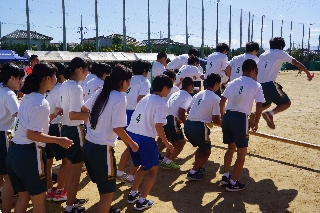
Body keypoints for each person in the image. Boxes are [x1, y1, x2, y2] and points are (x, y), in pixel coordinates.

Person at [6, 63, 73, 213]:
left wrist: (53, 115)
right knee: (38, 201)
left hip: (15, 151)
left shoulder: (28, 97)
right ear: (47, 78)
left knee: (24, 197)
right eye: (55, 76)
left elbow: (30, 124)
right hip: (29, 153)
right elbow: (32, 134)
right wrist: (58, 140)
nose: (57, 79)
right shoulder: (41, 103)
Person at [82, 65, 139, 213]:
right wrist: (132, 144)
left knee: (104, 188)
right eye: (129, 81)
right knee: (108, 194)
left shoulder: (101, 92)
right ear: (124, 82)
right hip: (102, 149)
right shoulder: (120, 97)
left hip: (89, 145)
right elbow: (118, 128)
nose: (130, 84)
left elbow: (84, 109)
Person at [126, 75, 174, 211]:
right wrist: (167, 143)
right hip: (145, 138)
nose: (169, 92)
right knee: (153, 170)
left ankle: (133, 194)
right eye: (169, 89)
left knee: (143, 166)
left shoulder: (145, 97)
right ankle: (142, 201)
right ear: (165, 88)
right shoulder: (160, 102)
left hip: (133, 134)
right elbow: (159, 125)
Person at [220, 59, 265, 191]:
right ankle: (233, 183)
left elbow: (222, 101)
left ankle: (226, 175)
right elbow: (259, 105)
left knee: (230, 149)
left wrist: (223, 117)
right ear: (253, 70)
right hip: (240, 118)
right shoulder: (256, 85)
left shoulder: (233, 82)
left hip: (228, 115)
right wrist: (256, 121)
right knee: (241, 153)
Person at [257, 37, 313, 129]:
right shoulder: (280, 53)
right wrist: (307, 73)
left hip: (259, 86)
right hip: (270, 84)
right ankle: (270, 114)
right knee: (287, 103)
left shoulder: (263, 55)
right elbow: (296, 63)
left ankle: (254, 114)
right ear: (281, 47)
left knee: (267, 104)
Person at [57, 57, 89, 213]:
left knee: (70, 166)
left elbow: (72, 108)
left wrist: (87, 109)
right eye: (86, 70)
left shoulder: (64, 85)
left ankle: (70, 199)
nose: (87, 73)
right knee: (76, 170)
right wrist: (91, 116)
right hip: (75, 129)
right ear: (79, 70)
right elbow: (74, 114)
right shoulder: (76, 87)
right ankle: (70, 207)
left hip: (66, 129)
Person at [117, 59, 151, 187]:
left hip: (122, 112)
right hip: (135, 114)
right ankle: (131, 177)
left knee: (130, 146)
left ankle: (120, 173)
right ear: (144, 71)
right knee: (136, 146)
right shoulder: (144, 81)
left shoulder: (128, 79)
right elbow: (141, 100)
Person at [184, 73, 222, 181]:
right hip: (199, 127)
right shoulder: (216, 98)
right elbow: (215, 119)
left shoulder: (198, 94)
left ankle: (197, 168)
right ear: (216, 84)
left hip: (188, 124)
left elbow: (188, 110)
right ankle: (192, 172)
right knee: (207, 152)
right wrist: (225, 125)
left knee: (201, 148)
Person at [0, 63, 24, 213]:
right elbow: (19, 116)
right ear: (11, 78)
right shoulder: (9, 94)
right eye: (19, 79)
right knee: (9, 177)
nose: (21, 82)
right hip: (2, 134)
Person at [45, 63, 69, 202]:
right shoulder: (61, 87)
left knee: (48, 161)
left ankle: (49, 189)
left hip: (46, 126)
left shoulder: (46, 89)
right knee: (66, 160)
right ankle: (60, 190)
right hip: (56, 126)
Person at [160, 77, 194, 170]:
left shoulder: (176, 93)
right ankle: (169, 162)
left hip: (165, 118)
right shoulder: (188, 96)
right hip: (172, 120)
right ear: (190, 86)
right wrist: (186, 123)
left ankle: (165, 161)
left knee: (173, 142)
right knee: (182, 142)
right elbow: (181, 111)